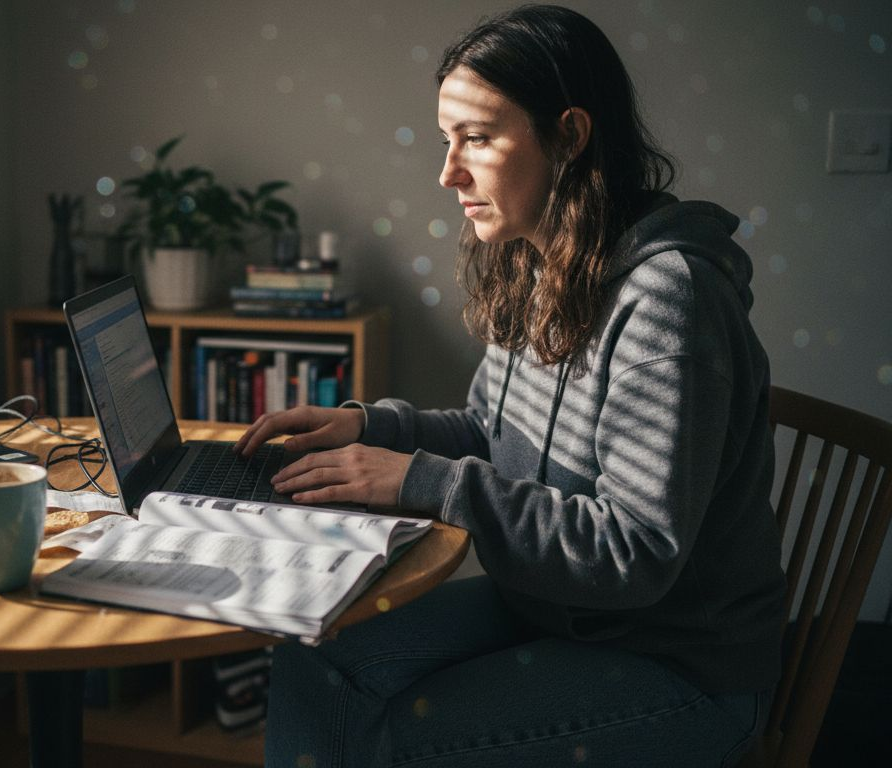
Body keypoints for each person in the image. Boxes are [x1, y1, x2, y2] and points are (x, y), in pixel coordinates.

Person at [235, 5, 785, 766]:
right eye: (446, 139)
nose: (447, 171)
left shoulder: (669, 301)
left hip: (679, 663)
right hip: (558, 616)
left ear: (569, 135)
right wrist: (371, 430)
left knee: (400, 739)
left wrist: (418, 480)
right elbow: (492, 432)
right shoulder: (549, 260)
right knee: (313, 654)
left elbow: (635, 552)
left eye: (478, 138)